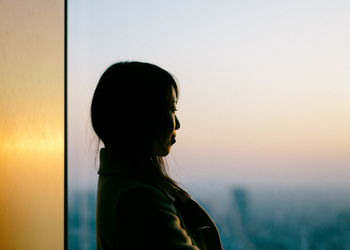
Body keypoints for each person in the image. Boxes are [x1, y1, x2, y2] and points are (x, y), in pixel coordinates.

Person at [91, 61, 222, 249]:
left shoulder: (119, 184)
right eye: (171, 109)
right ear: (142, 115)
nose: (177, 124)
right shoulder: (141, 199)